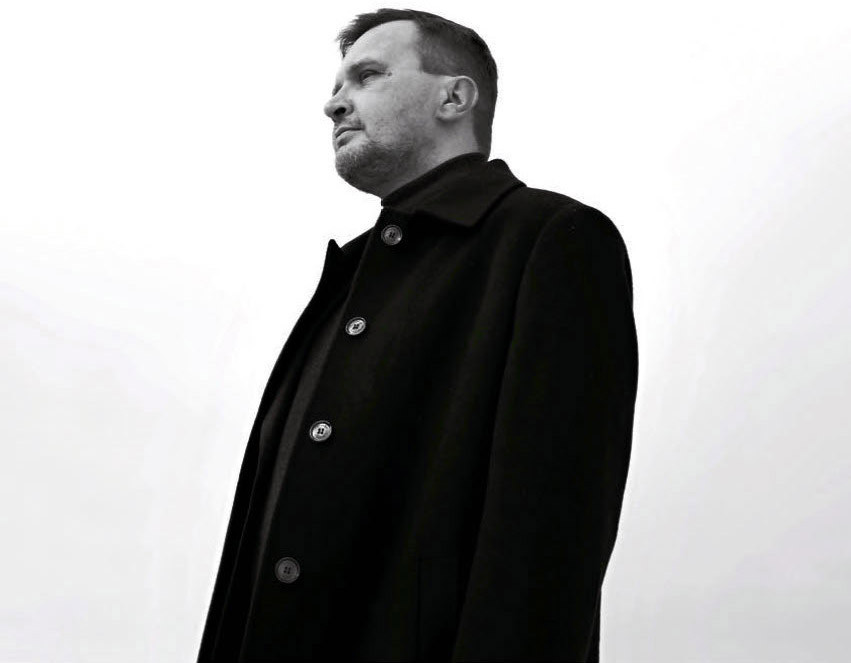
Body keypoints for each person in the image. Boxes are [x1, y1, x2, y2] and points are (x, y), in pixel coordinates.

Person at [196, 8, 638, 662]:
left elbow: (550, 540)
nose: (332, 104)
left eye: (367, 76)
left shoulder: (550, 241)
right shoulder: (347, 279)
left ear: (453, 97)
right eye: (336, 86)